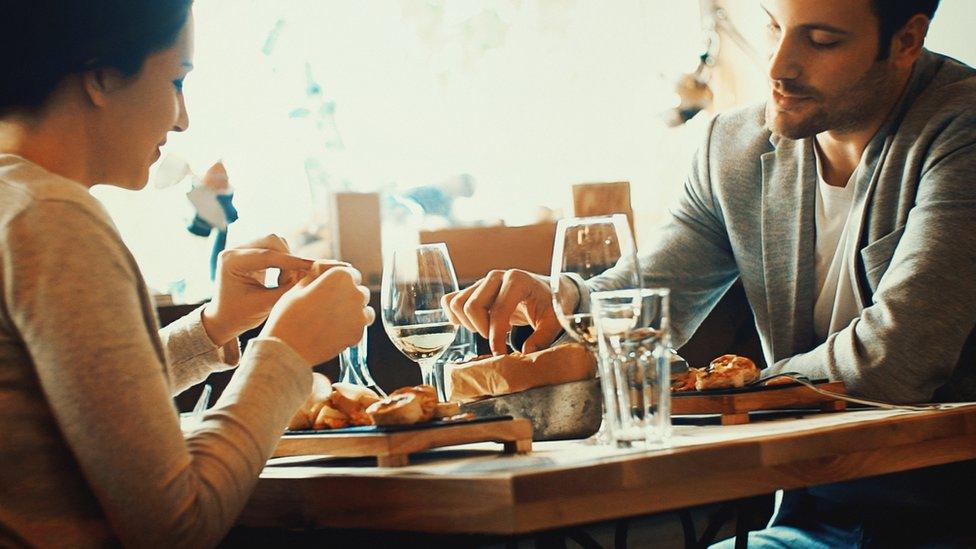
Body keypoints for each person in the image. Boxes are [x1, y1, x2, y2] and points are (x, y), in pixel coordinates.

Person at [444, 0, 975, 546]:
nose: (777, 66)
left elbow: (895, 361)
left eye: (820, 41)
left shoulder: (962, 128)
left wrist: (729, 388)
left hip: (946, 515)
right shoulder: (733, 147)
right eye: (773, 26)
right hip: (807, 515)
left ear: (907, 40)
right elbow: (651, 300)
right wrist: (562, 299)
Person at [0, 2, 373, 546]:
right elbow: (175, 527)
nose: (182, 118)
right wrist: (286, 353)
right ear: (102, 75)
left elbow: (80, 399)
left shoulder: (15, 202)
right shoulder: (53, 219)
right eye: (176, 81)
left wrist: (214, 327)